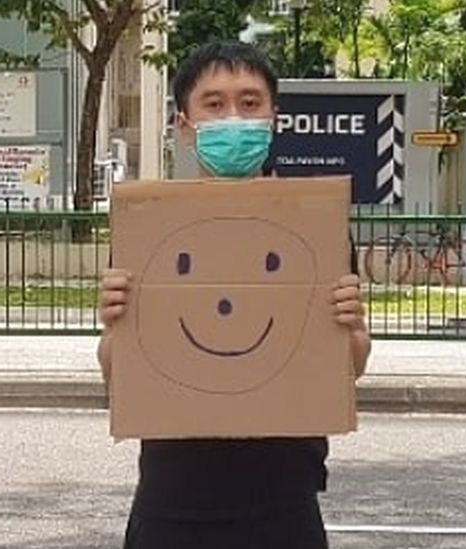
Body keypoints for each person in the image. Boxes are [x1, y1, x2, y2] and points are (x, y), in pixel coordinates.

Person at [97, 41, 371, 549]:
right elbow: (118, 372)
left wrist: (353, 330)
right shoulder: (149, 230)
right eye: (214, 104)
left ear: (274, 119)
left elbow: (348, 367)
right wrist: (116, 323)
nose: (234, 118)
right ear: (184, 124)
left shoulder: (315, 227)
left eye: (250, 103)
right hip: (171, 504)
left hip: (284, 505)